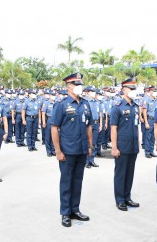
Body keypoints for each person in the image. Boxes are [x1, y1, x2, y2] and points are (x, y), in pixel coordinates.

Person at [51, 73, 92, 227]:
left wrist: (89, 145)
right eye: (77, 84)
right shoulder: (61, 104)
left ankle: (75, 209)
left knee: (78, 181)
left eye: (80, 84)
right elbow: (54, 128)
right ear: (69, 86)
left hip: (81, 149)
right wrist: (58, 151)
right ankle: (65, 213)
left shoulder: (85, 104)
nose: (79, 87)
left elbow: (89, 126)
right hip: (67, 150)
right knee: (66, 182)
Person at [110, 78, 140, 212]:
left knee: (130, 173)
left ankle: (127, 197)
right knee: (121, 174)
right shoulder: (117, 107)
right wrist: (114, 147)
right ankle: (120, 199)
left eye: (134, 88)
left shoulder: (135, 106)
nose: (133, 91)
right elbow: (114, 128)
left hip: (133, 146)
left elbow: (136, 126)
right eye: (131, 89)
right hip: (122, 146)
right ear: (123, 90)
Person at [86, 87, 102, 168]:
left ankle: (91, 160)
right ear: (88, 93)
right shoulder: (86, 102)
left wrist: (100, 125)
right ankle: (86, 161)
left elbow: (100, 114)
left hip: (96, 124)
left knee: (94, 143)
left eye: (94, 92)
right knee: (88, 143)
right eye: (92, 92)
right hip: (89, 124)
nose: (94, 93)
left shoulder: (97, 102)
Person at [41, 90, 56, 157]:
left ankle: (53, 150)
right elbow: (43, 113)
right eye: (52, 95)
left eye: (54, 95)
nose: (53, 96)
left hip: (55, 121)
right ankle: (48, 151)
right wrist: (44, 122)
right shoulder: (46, 103)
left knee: (54, 136)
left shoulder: (57, 103)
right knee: (48, 136)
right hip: (49, 119)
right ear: (50, 96)